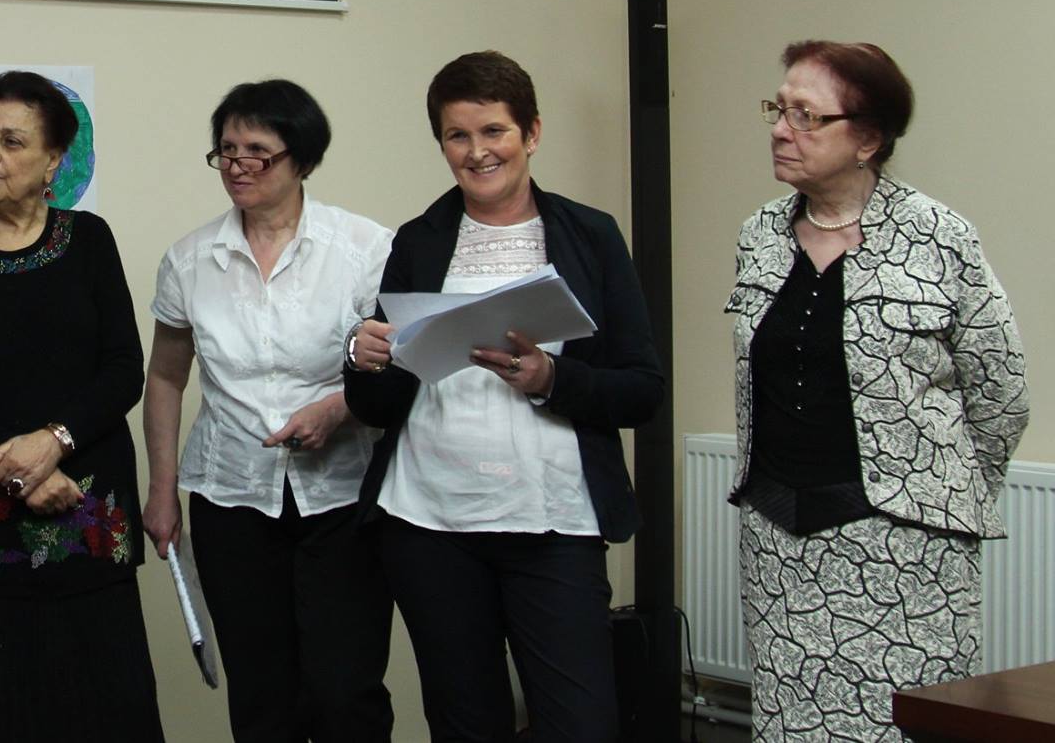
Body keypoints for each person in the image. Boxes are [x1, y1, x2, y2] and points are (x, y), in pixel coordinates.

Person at [344, 51, 662, 743]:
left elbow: (642, 390)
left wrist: (552, 380)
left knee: (581, 724)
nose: (477, 151)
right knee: (465, 724)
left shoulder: (591, 235)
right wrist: (362, 358)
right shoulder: (419, 240)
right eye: (457, 136)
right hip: (430, 523)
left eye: (494, 131)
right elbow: (377, 404)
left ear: (532, 133)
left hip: (554, 523)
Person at [729, 41, 1027, 741]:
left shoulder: (940, 237)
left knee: (904, 726)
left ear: (867, 139)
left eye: (806, 115)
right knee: (789, 727)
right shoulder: (758, 235)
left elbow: (1001, 393)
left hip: (907, 554)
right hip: (779, 544)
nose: (781, 129)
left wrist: (936, 497)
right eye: (778, 109)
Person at [0, 70, 161, 743]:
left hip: (84, 519)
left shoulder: (90, 239)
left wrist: (53, 443)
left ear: (52, 162)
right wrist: (17, 468)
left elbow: (122, 368)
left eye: (12, 141)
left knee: (93, 711)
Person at [143, 79, 396, 743]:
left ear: (302, 158)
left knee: (346, 691)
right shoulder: (190, 259)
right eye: (226, 150)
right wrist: (162, 490)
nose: (238, 165)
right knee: (262, 695)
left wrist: (338, 408)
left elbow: (400, 367)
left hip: (342, 498)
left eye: (257, 150)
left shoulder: (366, 249)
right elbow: (165, 377)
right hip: (231, 498)